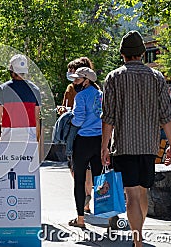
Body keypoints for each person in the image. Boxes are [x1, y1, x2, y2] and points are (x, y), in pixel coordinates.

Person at [101, 30, 171, 247]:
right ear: (142, 53)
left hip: (124, 145)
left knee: (131, 194)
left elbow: (109, 117)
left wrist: (104, 147)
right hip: (149, 145)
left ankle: (138, 240)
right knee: (142, 192)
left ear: (123, 54)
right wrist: (170, 144)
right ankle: (139, 235)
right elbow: (166, 114)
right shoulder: (157, 77)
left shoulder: (114, 77)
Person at [67, 67, 103, 229]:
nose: (74, 82)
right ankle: (110, 216)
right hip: (100, 140)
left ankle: (80, 219)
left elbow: (79, 119)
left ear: (86, 81)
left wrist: (69, 121)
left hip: (83, 141)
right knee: (101, 180)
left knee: (80, 180)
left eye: (77, 79)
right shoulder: (102, 95)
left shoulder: (81, 96)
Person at [63, 57, 95, 214]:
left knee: (78, 171)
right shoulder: (97, 91)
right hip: (97, 136)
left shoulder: (77, 92)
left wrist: (68, 116)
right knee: (90, 171)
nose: (71, 77)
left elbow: (77, 117)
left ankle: (82, 209)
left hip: (80, 135)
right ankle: (88, 201)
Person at [0, 54, 41, 143]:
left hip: (9, 139)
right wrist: (37, 142)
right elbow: (36, 118)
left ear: (11, 71)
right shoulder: (35, 89)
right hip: (29, 140)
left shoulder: (3, 89)